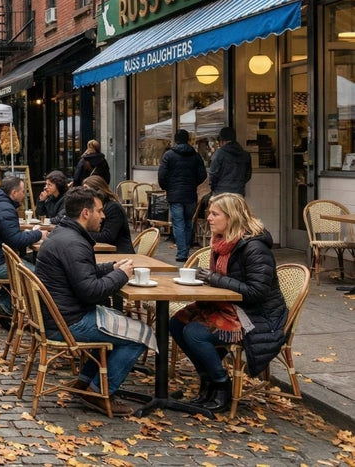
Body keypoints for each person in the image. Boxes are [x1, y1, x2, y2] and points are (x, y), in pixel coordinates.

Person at [34, 186, 147, 417]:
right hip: (68, 323)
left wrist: (111, 268)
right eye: (99, 211)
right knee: (140, 334)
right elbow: (91, 292)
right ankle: (99, 393)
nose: (103, 216)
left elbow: (81, 271)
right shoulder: (74, 242)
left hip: (56, 316)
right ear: (86, 213)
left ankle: (85, 383)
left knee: (118, 325)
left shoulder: (63, 234)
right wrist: (122, 275)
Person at [171, 193, 288, 412]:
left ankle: (221, 384)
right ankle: (207, 377)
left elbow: (257, 292)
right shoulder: (222, 242)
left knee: (194, 333)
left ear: (231, 217)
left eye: (215, 214)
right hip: (228, 306)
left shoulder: (254, 248)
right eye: (209, 213)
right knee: (176, 324)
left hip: (256, 316)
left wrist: (215, 279)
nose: (209, 218)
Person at [0, 176, 45, 322]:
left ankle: (6, 304)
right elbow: (15, 240)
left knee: (29, 264)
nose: (24, 194)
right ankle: (5, 305)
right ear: (13, 193)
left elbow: (11, 236)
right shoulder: (5, 208)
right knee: (37, 276)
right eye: (22, 191)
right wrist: (38, 234)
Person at [158, 129, 208, 263]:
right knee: (188, 223)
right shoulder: (195, 156)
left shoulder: (169, 155)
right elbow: (203, 175)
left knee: (178, 223)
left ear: (176, 140)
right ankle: (186, 249)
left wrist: (167, 187)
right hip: (190, 194)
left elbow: (162, 176)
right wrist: (193, 183)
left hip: (175, 195)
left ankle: (182, 253)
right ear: (187, 140)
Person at [82, 176, 135, 253]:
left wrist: (80, 232)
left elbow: (107, 237)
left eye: (86, 189)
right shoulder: (91, 207)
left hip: (119, 253)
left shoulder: (113, 208)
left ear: (96, 191)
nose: (84, 193)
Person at [209, 126, 252, 196]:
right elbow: (248, 175)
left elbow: (213, 175)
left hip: (221, 194)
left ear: (222, 140)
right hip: (238, 193)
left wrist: (214, 189)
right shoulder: (245, 155)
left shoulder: (219, 153)